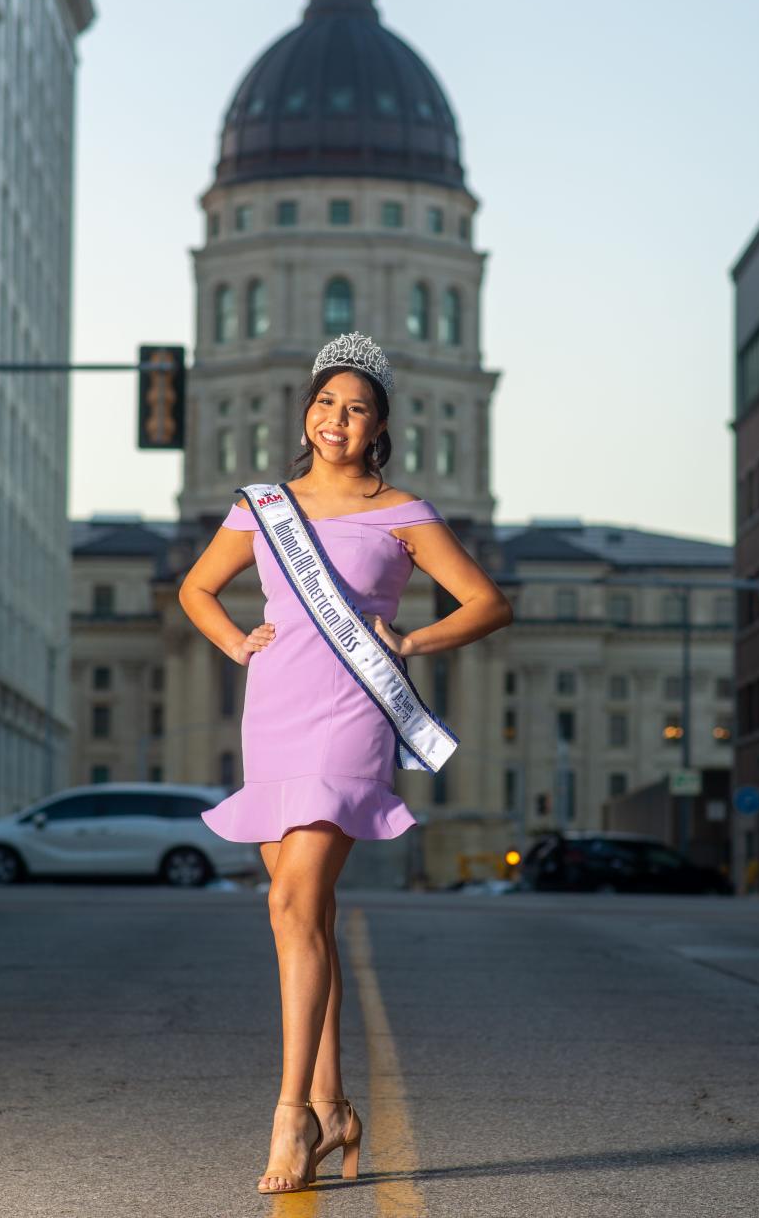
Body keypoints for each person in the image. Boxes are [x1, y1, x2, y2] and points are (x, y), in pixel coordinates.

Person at [178, 331, 513, 1193]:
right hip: (276, 713)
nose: (337, 418)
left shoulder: (403, 511)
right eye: (326, 402)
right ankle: (334, 1108)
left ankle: (291, 1117)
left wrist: (412, 637)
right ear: (307, 412)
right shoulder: (262, 506)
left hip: (353, 715)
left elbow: (487, 602)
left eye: (356, 407)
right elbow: (196, 588)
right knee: (304, 919)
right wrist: (236, 642)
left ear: (379, 424)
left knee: (293, 899)